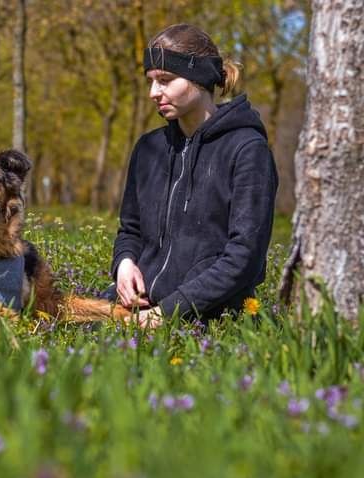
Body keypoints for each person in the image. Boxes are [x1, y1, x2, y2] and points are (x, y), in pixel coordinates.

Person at [105, 24, 278, 326]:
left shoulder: (248, 150)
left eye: (165, 80)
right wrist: (124, 264)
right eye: (151, 81)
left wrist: (165, 314)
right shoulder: (148, 149)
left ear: (199, 77)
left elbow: (244, 258)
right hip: (136, 309)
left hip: (209, 320)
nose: (153, 93)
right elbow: (130, 231)